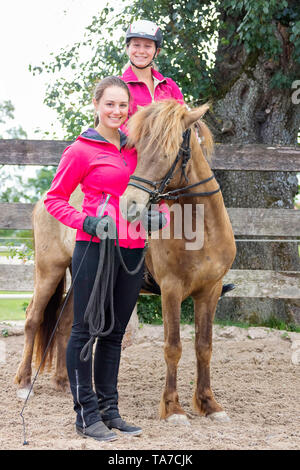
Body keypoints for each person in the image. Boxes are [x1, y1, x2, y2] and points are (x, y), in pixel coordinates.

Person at [44, 76, 169, 442]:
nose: (117, 111)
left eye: (122, 105)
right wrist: (85, 220)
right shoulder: (80, 150)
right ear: (96, 105)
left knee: (114, 333)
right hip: (95, 248)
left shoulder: (137, 149)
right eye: (110, 104)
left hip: (133, 250)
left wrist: (156, 216)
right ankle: (85, 414)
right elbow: (55, 199)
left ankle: (109, 410)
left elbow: (154, 191)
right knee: (85, 330)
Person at [120, 19, 235, 298]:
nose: (141, 51)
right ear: (127, 48)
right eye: (136, 45)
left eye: (147, 46)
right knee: (134, 202)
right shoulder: (120, 86)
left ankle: (204, 267)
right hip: (134, 157)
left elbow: (183, 120)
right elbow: (118, 123)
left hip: (166, 159)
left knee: (195, 191)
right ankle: (138, 269)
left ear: (156, 51)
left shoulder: (168, 85)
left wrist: (192, 137)